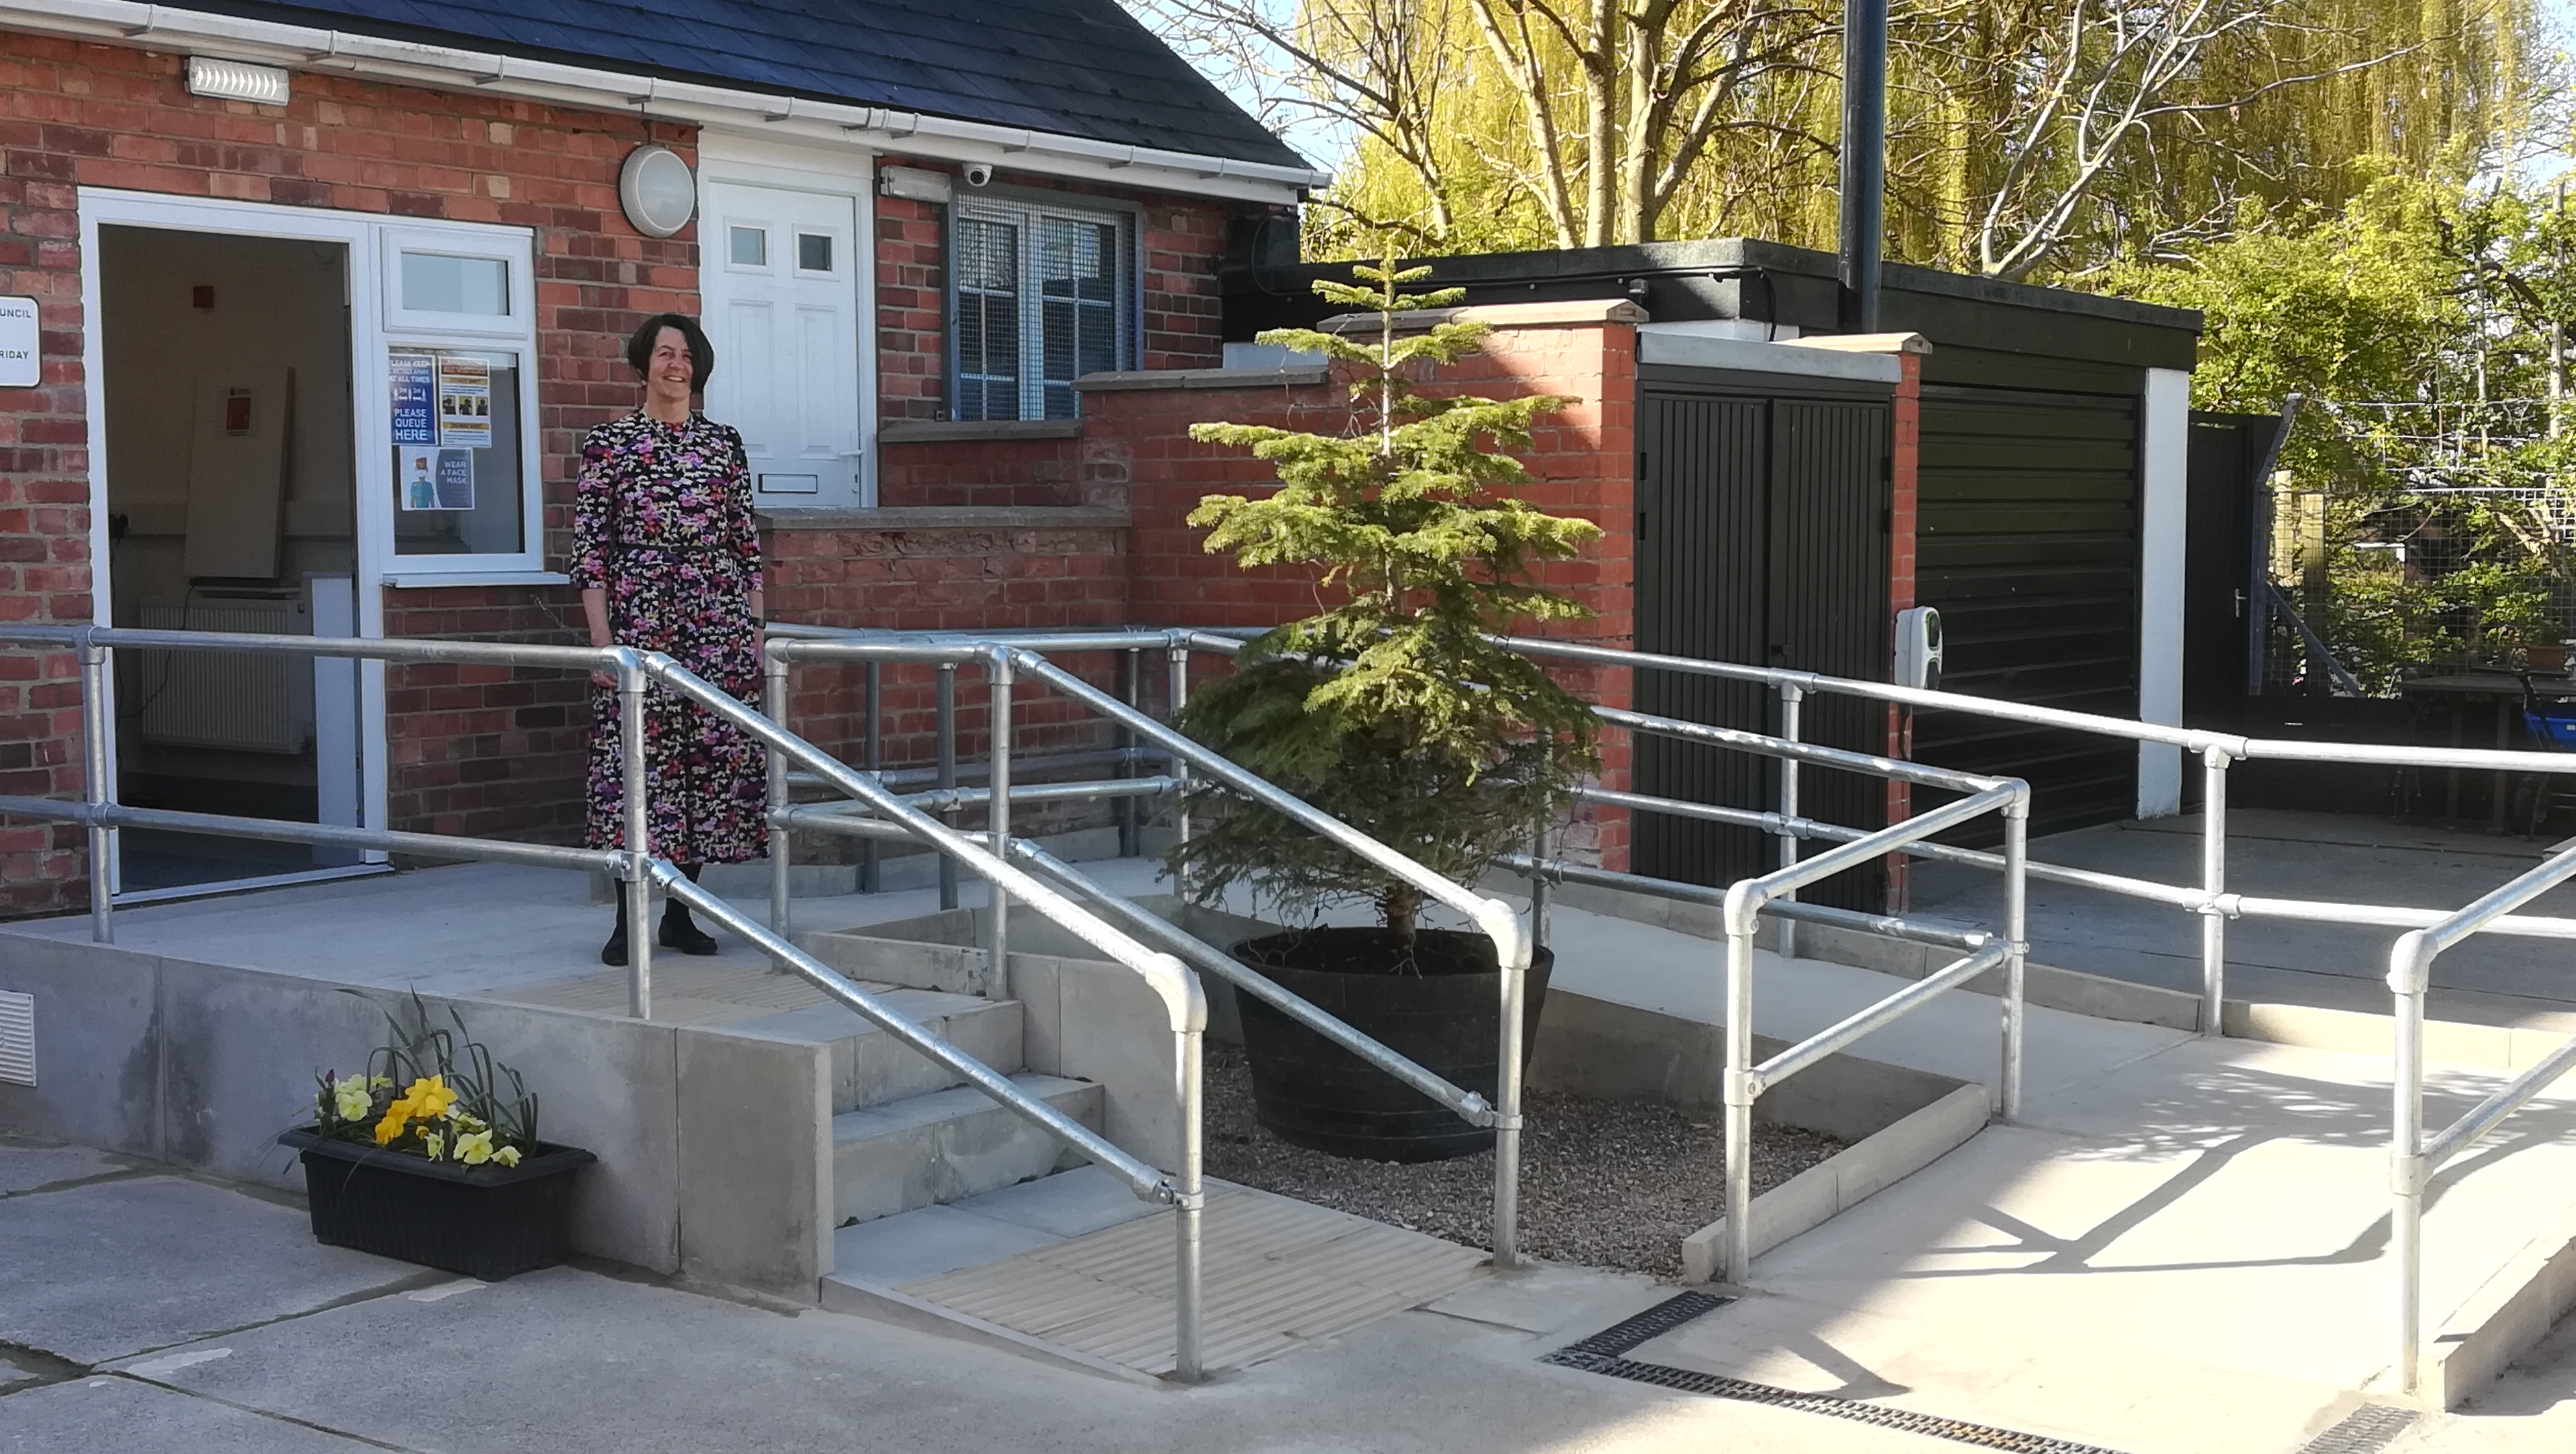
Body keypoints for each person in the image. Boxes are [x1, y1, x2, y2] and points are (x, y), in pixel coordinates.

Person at [571, 314, 767, 966]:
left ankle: (682, 913)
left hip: (717, 622)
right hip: (641, 619)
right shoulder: (610, 443)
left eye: (684, 355)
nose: (674, 365)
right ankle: (630, 918)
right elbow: (589, 550)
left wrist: (756, 630)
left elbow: (746, 542)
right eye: (663, 353)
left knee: (709, 770)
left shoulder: (723, 444)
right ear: (643, 363)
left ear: (698, 366)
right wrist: (602, 639)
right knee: (638, 770)